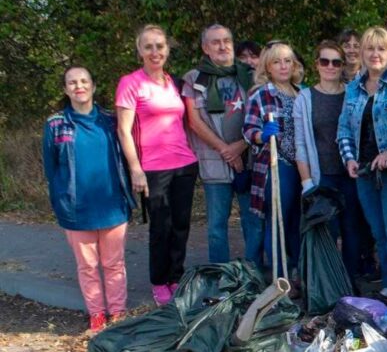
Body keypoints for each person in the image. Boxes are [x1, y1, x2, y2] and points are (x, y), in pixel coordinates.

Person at [43, 67, 136, 332]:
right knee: (87, 265)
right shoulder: (55, 123)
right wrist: (60, 200)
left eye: (84, 81)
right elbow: (51, 169)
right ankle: (96, 313)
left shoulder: (110, 120)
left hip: (112, 204)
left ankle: (117, 312)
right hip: (76, 208)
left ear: (93, 86)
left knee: (114, 263)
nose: (79, 86)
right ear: (65, 89)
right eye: (72, 82)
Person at [116, 24, 199, 306]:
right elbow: (124, 130)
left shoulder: (174, 83)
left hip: (185, 164)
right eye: (148, 46)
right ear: (139, 50)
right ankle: (159, 282)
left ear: (167, 50)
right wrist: (135, 168)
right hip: (153, 168)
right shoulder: (131, 83)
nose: (155, 52)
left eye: (160, 46)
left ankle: (176, 277)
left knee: (181, 225)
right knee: (160, 227)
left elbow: (186, 121)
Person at [337, 27, 387, 297]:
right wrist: (349, 158)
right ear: (361, 53)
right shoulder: (353, 89)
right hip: (363, 171)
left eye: (381, 49)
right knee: (378, 231)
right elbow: (344, 130)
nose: (375, 54)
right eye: (370, 48)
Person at [182, 24, 261, 265]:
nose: (223, 46)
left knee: (253, 221)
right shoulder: (195, 78)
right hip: (214, 163)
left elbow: (261, 113)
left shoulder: (249, 75)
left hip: (249, 161)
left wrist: (240, 146)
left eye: (227, 40)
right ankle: (221, 275)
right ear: (206, 48)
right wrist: (226, 151)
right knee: (217, 226)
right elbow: (194, 121)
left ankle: (252, 272)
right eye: (215, 42)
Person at [294, 39, 371, 282]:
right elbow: (301, 144)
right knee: (327, 230)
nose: (330, 66)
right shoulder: (305, 98)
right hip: (321, 175)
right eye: (325, 61)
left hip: (351, 173)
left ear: (342, 65)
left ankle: (348, 280)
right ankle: (327, 282)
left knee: (352, 229)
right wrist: (306, 180)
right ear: (316, 64)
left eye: (336, 62)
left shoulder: (353, 93)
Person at [242, 41, 305, 277]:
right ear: (268, 67)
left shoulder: (301, 92)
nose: (283, 66)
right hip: (277, 166)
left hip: (302, 166)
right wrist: (261, 135)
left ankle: (299, 272)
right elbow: (248, 131)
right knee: (277, 221)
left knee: (296, 223)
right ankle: (280, 277)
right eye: (277, 62)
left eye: (287, 61)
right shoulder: (260, 94)